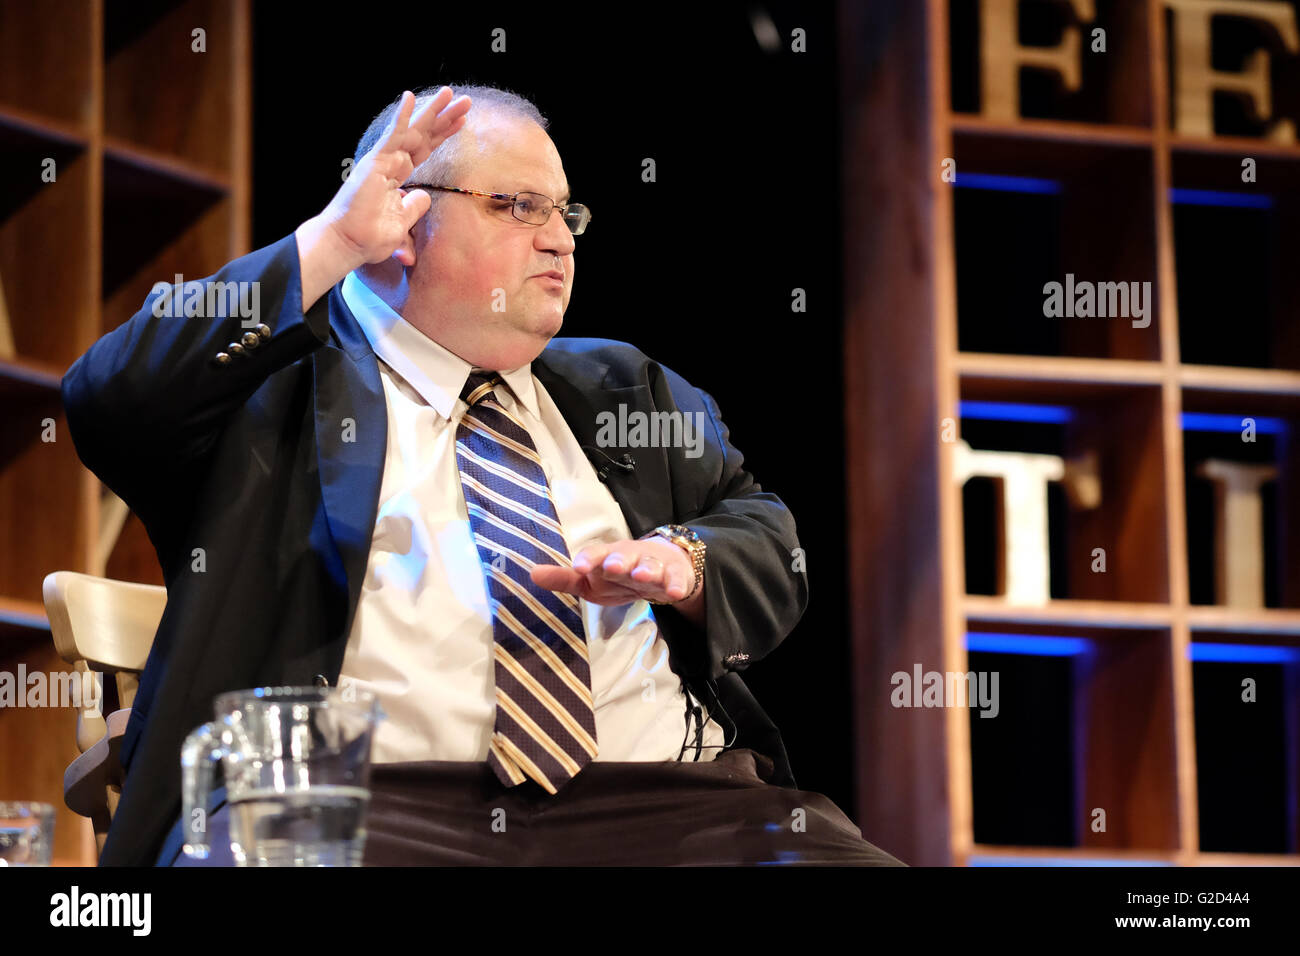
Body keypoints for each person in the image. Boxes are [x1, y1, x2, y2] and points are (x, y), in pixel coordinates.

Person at [62, 84, 904, 866]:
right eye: (517, 207)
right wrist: (328, 243)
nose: (560, 237)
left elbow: (764, 529)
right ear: (399, 219)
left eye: (565, 210)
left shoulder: (623, 388)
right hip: (366, 807)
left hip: (661, 804)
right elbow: (110, 398)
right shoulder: (275, 388)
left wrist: (686, 561)